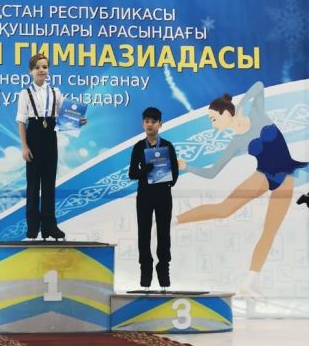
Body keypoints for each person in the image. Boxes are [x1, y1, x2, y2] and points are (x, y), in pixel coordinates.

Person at [175, 81, 307, 296]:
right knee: (223, 209)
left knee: (269, 231)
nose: (213, 125)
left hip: (285, 178)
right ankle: (172, 221)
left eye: (213, 119)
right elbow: (212, 172)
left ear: (226, 113)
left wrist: (241, 105)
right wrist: (186, 166)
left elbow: (259, 86)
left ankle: (249, 282)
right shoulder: (236, 142)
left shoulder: (257, 113)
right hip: (262, 175)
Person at [16, 53, 86, 241]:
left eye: (45, 67)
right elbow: (21, 121)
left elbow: (65, 117)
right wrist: (24, 146)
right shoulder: (25, 93)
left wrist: (79, 121)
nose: (42, 70)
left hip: (50, 137)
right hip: (33, 134)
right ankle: (32, 226)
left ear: (48, 70)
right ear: (31, 71)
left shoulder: (55, 92)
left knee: (49, 182)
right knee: (33, 183)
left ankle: (49, 225)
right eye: (37, 67)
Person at [128, 107, 179, 290]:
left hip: (163, 194)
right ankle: (146, 269)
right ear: (143, 124)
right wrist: (146, 170)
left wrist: (168, 181)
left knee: (164, 233)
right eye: (147, 121)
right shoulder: (138, 147)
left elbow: (175, 171)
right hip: (144, 195)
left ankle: (163, 268)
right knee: (144, 233)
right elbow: (132, 174)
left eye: (153, 121)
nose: (150, 124)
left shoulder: (167, 146)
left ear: (160, 124)